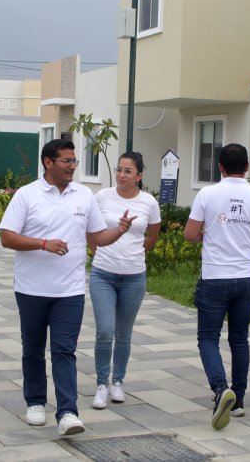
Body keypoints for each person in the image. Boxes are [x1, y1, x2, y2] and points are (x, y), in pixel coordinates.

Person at [0, 139, 136, 436]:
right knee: (33, 349)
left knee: (64, 350)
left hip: (70, 291)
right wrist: (43, 244)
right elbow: (7, 237)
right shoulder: (27, 195)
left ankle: (67, 412)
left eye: (74, 161)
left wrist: (119, 232)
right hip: (31, 289)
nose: (73, 166)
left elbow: (98, 237)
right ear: (48, 162)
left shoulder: (84, 196)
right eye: (67, 161)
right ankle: (35, 402)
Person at [184, 143, 250, 430]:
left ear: (220, 167)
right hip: (246, 278)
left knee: (208, 338)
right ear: (248, 167)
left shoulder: (208, 193)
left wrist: (212, 235)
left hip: (215, 277)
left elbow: (190, 234)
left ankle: (219, 389)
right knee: (239, 339)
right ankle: (237, 400)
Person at [89, 152, 162, 409]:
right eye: (119, 169)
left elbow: (153, 234)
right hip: (103, 274)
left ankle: (117, 382)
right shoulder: (102, 197)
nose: (121, 175)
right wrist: (96, 250)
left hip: (133, 277)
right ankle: (101, 384)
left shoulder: (149, 202)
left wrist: (136, 251)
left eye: (128, 171)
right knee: (105, 331)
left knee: (123, 334)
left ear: (139, 176)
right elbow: (92, 230)